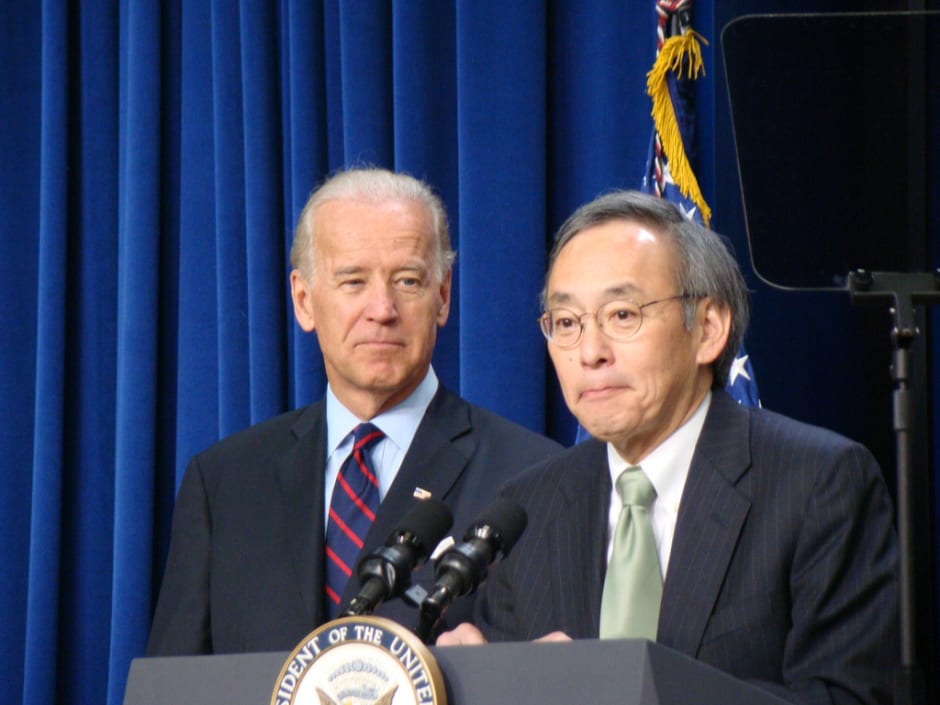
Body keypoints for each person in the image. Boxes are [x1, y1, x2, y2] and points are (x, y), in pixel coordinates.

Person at [438, 190, 899, 705]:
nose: (590, 352)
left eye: (622, 314)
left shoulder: (819, 483)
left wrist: (612, 689)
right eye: (567, 323)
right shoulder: (528, 508)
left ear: (708, 329)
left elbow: (851, 698)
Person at [146, 167, 562, 655]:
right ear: (304, 301)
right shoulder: (223, 483)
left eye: (407, 280)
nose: (382, 308)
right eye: (353, 281)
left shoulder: (534, 477)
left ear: (443, 295)